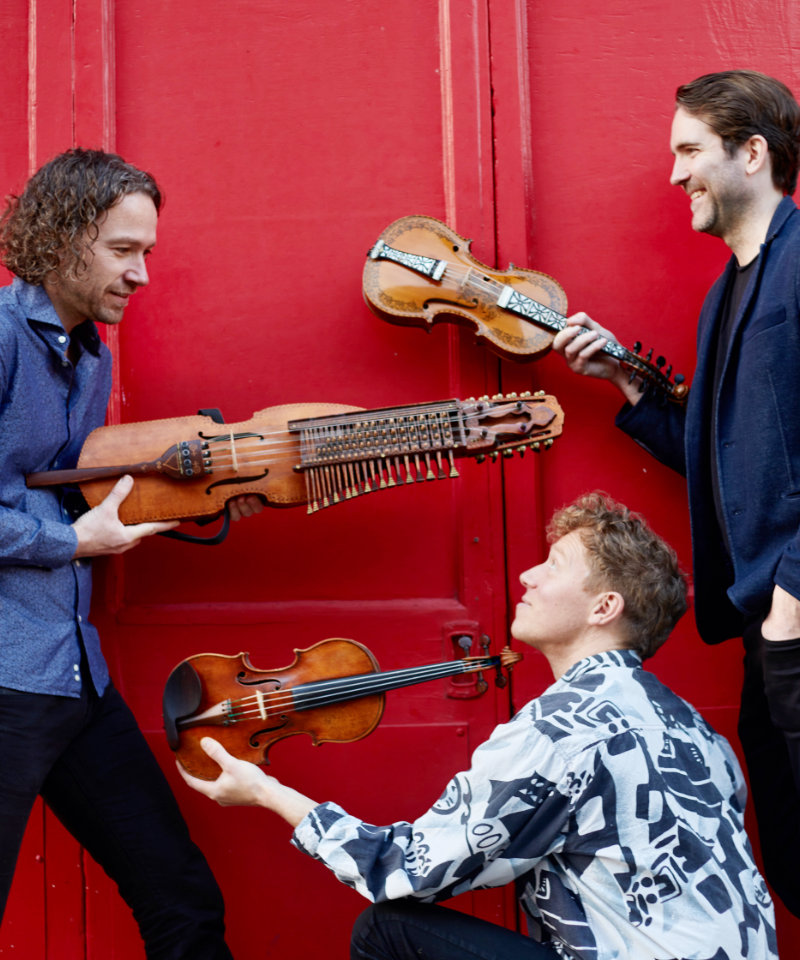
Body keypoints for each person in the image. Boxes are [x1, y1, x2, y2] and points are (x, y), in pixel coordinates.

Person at [178, 492, 777, 960]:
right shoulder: (697, 731)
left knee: (388, 931)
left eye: (554, 565)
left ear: (603, 608)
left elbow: (405, 873)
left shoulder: (563, 726)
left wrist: (266, 793)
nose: (527, 577)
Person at [0, 147, 262, 957]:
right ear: (62, 239)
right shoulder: (3, 338)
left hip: (74, 675)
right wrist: (66, 541)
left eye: (147, 250)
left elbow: (72, 487)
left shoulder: (91, 353)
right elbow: (66, 523)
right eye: (124, 250)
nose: (142, 274)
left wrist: (207, 494)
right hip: (5, 682)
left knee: (180, 898)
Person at [552, 69, 800, 917]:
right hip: (766, 636)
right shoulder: (726, 293)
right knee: (797, 866)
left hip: (793, 619)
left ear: (753, 153)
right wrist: (629, 387)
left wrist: (794, 599)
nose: (673, 175)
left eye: (689, 151)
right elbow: (731, 459)